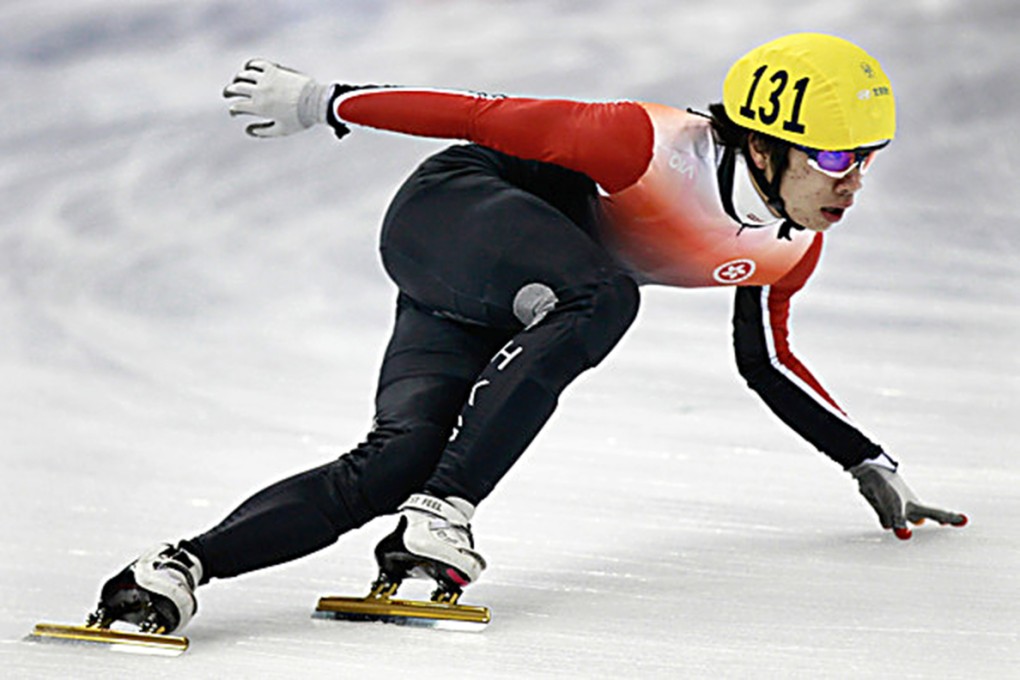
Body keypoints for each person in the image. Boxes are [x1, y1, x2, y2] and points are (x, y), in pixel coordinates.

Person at [93, 33, 967, 635]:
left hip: (504, 293)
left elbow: (767, 362)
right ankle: (445, 517)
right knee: (607, 296)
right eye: (836, 157)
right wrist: (329, 100)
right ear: (767, 145)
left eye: (870, 158)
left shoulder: (789, 251)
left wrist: (868, 461)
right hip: (455, 212)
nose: (853, 182)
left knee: (397, 459)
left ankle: (171, 571)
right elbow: (483, 114)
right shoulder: (649, 145)